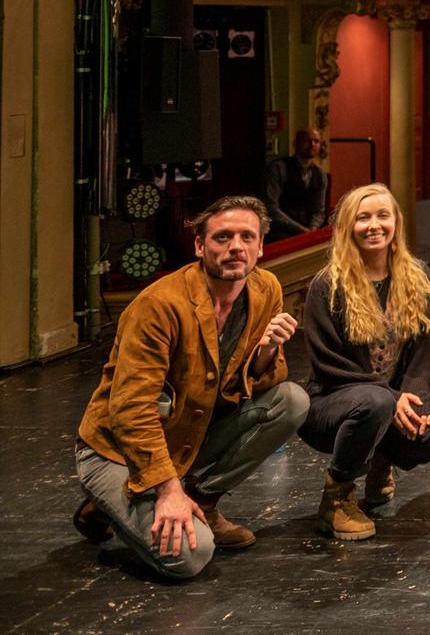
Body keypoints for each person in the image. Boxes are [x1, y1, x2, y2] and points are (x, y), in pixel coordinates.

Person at [73, 196, 309, 579]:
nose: (236, 246)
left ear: (261, 246)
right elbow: (131, 411)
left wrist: (267, 350)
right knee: (188, 557)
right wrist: (167, 491)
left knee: (291, 401)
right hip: (118, 450)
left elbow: (260, 384)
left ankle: (201, 501)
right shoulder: (160, 305)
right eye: (223, 237)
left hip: (187, 434)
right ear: (200, 246)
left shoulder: (266, 290)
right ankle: (117, 500)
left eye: (247, 237)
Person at [299, 184, 430, 541]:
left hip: (388, 399)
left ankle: (380, 459)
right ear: (347, 227)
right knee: (377, 402)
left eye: (382, 215)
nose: (374, 225)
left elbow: (424, 355)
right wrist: (391, 397)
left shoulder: (417, 277)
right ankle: (337, 495)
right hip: (332, 402)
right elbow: (328, 364)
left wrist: (413, 396)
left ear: (396, 223)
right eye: (363, 217)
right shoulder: (328, 285)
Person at [263, 128, 328, 240]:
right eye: (307, 141)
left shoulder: (320, 174)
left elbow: (319, 210)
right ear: (295, 143)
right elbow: (271, 208)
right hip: (279, 232)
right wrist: (301, 230)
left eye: (316, 141)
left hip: (309, 231)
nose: (312, 145)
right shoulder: (279, 168)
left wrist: (313, 228)